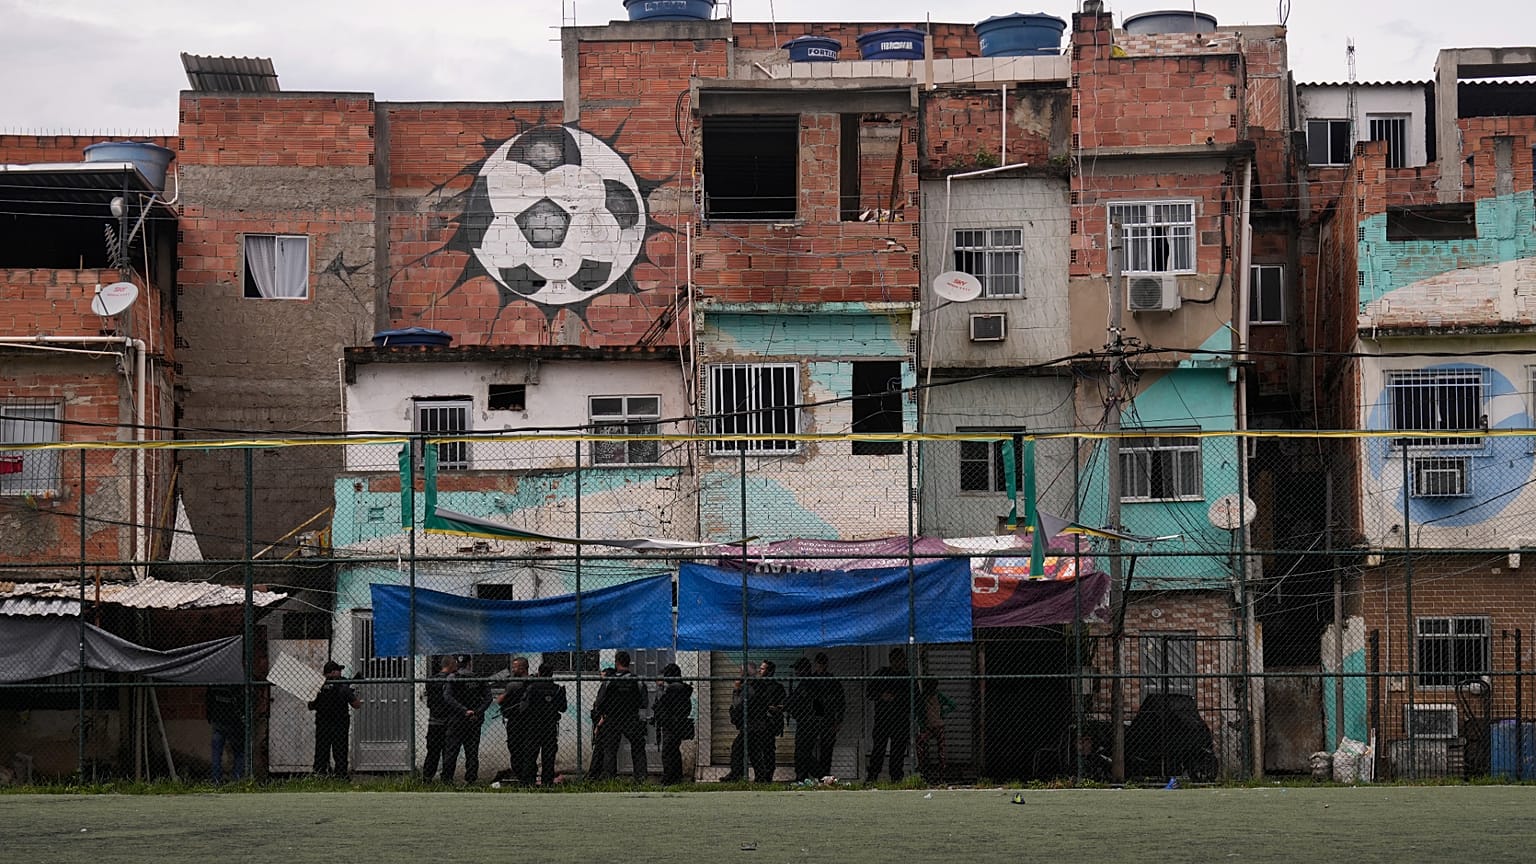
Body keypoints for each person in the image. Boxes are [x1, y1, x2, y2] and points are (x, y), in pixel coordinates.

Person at [725, 661, 785, 783]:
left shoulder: (751, 688)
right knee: (754, 752)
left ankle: (738, 774)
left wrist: (736, 690)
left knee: (740, 748)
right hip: (757, 724)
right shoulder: (758, 685)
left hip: (754, 725)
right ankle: (759, 777)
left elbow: (738, 705)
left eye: (741, 672)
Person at [593, 651, 649, 782]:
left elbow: (600, 702)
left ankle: (610, 778)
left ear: (616, 662)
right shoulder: (637, 681)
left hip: (612, 719)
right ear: (628, 663)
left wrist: (604, 712)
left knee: (610, 750)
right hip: (631, 718)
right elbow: (644, 703)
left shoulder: (609, 681)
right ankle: (640, 777)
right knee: (638, 748)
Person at [442, 654, 492, 784]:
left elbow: (448, 697)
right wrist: (476, 712)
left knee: (451, 751)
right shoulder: (478, 678)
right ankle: (471, 779)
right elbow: (488, 698)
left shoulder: (453, 678)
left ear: (457, 664)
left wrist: (464, 711)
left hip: (457, 720)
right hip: (474, 720)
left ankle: (447, 779)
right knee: (472, 751)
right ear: (470, 663)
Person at [867, 647, 911, 783]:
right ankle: (873, 775)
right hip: (883, 718)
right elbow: (869, 692)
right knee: (878, 748)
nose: (897, 663)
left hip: (900, 719)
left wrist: (898, 699)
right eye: (895, 660)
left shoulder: (906, 677)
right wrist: (881, 696)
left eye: (900, 660)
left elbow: (913, 697)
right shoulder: (881, 674)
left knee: (898, 749)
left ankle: (896, 776)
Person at [309, 659, 360, 777]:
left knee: (321, 750)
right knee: (340, 751)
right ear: (333, 672)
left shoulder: (318, 687)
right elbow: (356, 705)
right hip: (340, 724)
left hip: (323, 724)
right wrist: (355, 693)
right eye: (339, 671)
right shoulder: (342, 686)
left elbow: (310, 706)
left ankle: (320, 774)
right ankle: (341, 775)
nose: (341, 673)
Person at [521, 662, 567, 786]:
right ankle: (547, 782)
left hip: (533, 726)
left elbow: (523, 707)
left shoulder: (532, 688)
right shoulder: (557, 689)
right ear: (551, 674)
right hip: (550, 725)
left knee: (530, 755)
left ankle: (528, 782)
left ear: (539, 673)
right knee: (549, 756)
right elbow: (563, 708)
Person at [651, 662, 693, 785]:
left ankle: (668, 778)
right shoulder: (682, 689)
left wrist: (660, 690)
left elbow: (661, 705)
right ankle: (676, 776)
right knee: (674, 751)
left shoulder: (673, 689)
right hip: (678, 723)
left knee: (668, 752)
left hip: (671, 724)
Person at [495, 656, 535, 784]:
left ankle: (520, 775)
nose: (513, 669)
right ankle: (528, 777)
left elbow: (500, 701)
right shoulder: (533, 682)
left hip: (516, 721)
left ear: (523, 668)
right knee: (528, 749)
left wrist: (505, 695)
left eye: (515, 667)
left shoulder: (513, 685)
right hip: (530, 721)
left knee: (515, 749)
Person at [808, 652, 845, 779]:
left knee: (826, 749)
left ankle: (824, 775)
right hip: (814, 718)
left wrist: (838, 720)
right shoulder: (811, 681)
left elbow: (841, 702)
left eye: (823, 663)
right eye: (819, 663)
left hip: (828, 718)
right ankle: (819, 774)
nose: (821, 666)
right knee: (808, 749)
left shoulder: (832, 681)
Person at [422, 655, 457, 780]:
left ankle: (427, 776)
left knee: (433, 751)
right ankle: (446, 778)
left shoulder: (431, 680)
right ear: (451, 665)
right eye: (455, 664)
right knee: (449, 752)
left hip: (435, 720)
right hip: (449, 720)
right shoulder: (452, 680)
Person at [784, 657, 818, 781]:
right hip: (804, 721)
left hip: (808, 722)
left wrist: (787, 705)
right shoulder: (804, 683)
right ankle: (802, 775)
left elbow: (797, 700)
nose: (797, 672)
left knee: (803, 751)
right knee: (802, 751)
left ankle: (819, 774)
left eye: (798, 669)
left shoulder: (809, 683)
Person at [206, 683, 245, 784]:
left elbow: (208, 701)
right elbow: (241, 702)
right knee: (239, 752)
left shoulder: (215, 682)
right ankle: (237, 779)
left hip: (218, 721)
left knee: (216, 753)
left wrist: (211, 717)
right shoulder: (237, 681)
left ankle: (216, 780)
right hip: (234, 723)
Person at [587, 667, 616, 780]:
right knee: (600, 748)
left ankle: (597, 774)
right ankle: (596, 773)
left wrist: (599, 724)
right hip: (602, 720)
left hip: (604, 722)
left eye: (603, 674)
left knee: (603, 748)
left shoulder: (608, 688)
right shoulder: (606, 686)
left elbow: (605, 708)